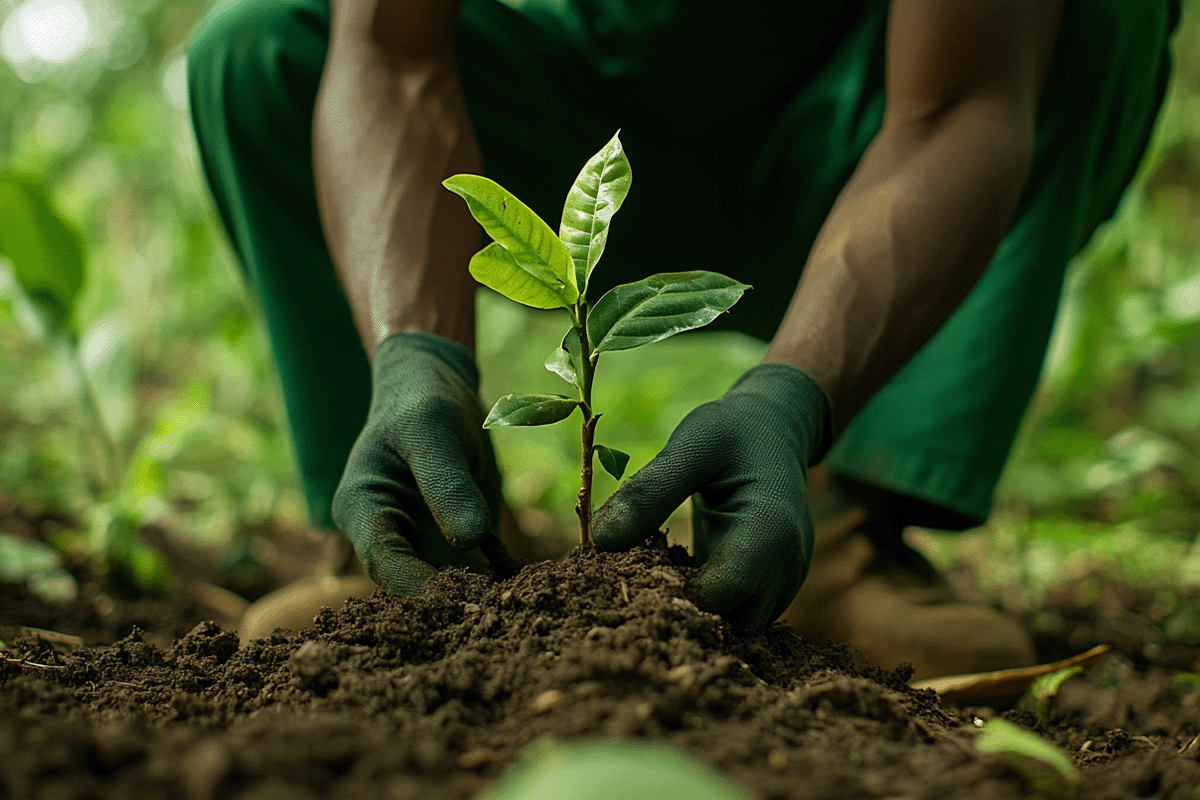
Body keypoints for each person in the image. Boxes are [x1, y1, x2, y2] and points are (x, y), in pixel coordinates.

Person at [186, 0, 1179, 679]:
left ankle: (842, 532)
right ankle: (418, 534)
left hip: (864, 126)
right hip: (568, 105)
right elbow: (389, 53)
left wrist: (793, 398)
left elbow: (962, 101)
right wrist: (415, 352)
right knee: (265, 41)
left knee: (1093, 17)